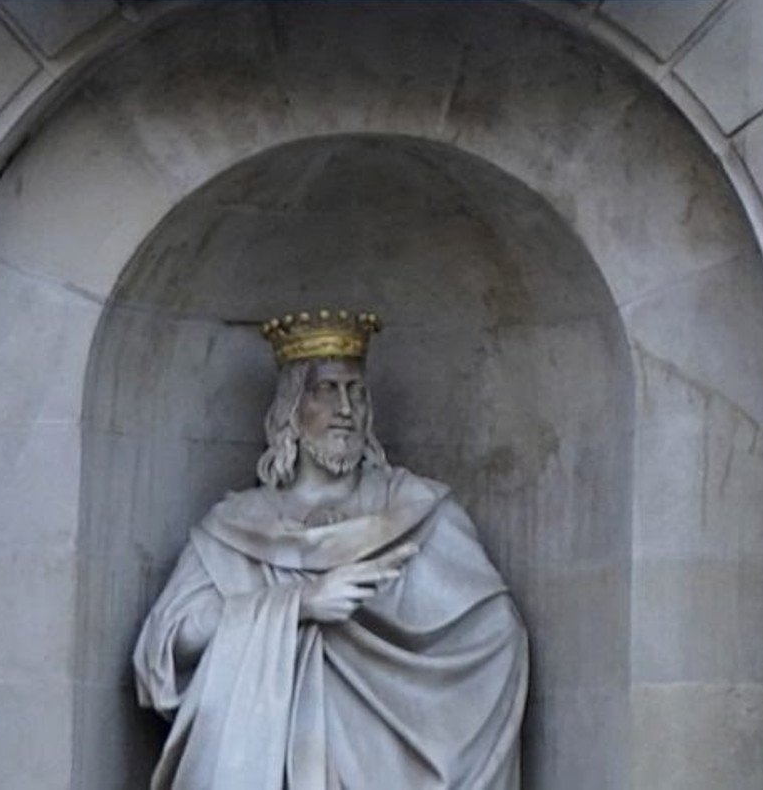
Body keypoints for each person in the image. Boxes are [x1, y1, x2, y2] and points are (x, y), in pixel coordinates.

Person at [131, 309, 530, 790]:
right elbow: (166, 648)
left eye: (356, 392)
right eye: (326, 390)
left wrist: (398, 617)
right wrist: (299, 605)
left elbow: (496, 631)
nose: (346, 408)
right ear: (291, 411)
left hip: (387, 767)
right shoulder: (236, 524)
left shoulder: (417, 509)